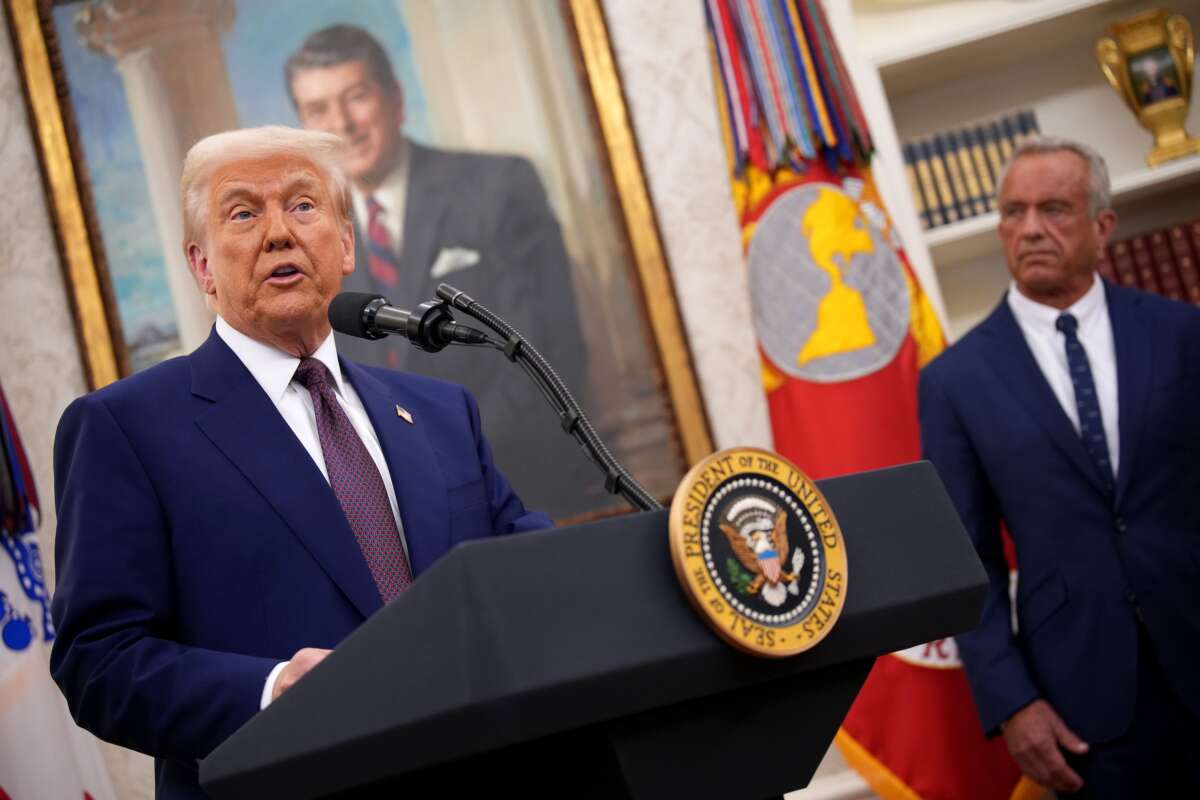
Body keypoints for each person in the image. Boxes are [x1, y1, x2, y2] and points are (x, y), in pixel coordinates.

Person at [49, 126, 552, 800]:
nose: (279, 233)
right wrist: (268, 690)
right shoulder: (125, 429)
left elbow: (526, 576)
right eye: (243, 214)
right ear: (201, 265)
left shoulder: (439, 412)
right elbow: (99, 662)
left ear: (345, 244)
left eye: (303, 205)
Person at [919, 136, 1200, 797]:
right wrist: (1011, 700)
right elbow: (964, 560)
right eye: (1013, 212)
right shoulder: (955, 382)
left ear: (1103, 225)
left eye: (1054, 209)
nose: (1031, 229)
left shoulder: (1183, 335)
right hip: (1082, 707)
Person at [285, 24, 595, 519]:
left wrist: (448, 469)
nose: (343, 124)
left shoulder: (498, 186)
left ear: (395, 100)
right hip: (398, 520)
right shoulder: (304, 240)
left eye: (357, 96)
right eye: (318, 110)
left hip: (523, 490)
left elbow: (548, 348)